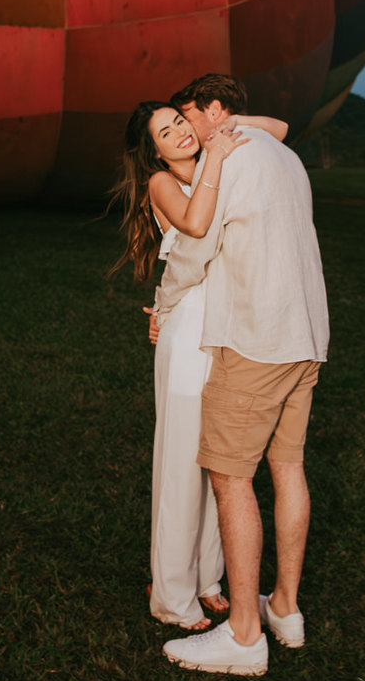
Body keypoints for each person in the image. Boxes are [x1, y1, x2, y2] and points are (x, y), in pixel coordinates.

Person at [152, 73, 329, 676]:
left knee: (230, 480)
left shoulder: (224, 160)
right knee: (289, 470)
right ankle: (284, 608)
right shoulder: (285, 155)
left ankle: (246, 636)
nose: (187, 129)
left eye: (188, 115)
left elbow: (194, 251)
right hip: (307, 335)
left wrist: (165, 305)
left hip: (255, 340)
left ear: (215, 111)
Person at [112, 100, 288, 630]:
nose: (179, 134)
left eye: (180, 122)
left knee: (222, 458)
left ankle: (208, 576)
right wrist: (214, 150)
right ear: (155, 151)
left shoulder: (222, 156)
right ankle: (170, 592)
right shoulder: (163, 185)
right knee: (183, 461)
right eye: (165, 133)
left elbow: (279, 129)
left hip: (231, 329)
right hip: (189, 329)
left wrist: (223, 130)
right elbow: (195, 224)